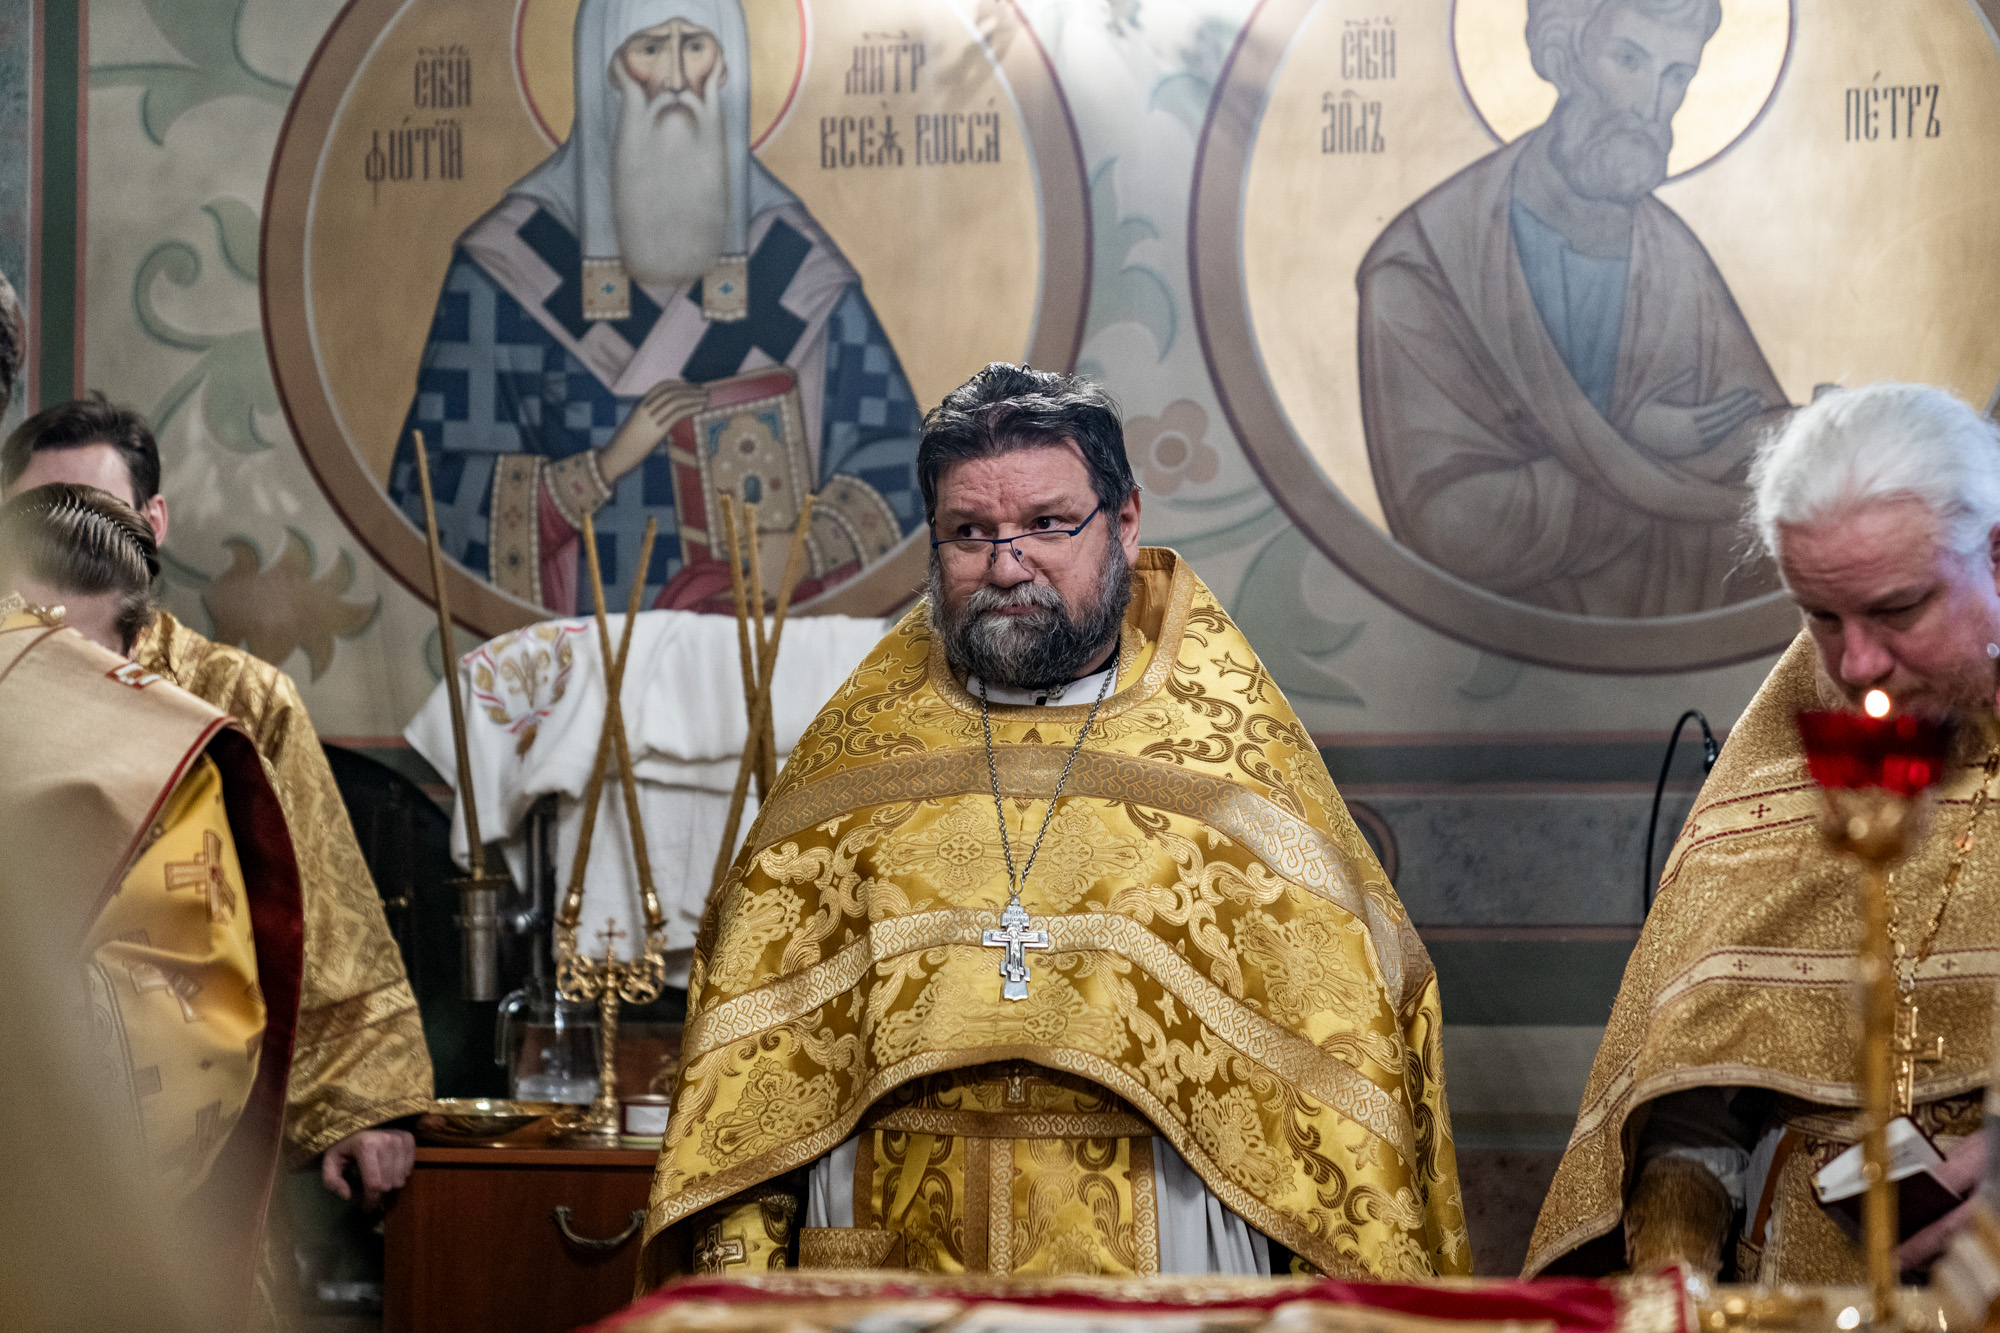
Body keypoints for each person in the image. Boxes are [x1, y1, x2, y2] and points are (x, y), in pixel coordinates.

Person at [638, 364, 1468, 1282]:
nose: (1006, 564)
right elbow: (750, 1077)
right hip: (886, 1258)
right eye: (969, 532)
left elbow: (1343, 1068)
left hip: (1161, 1259)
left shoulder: (1231, 765)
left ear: (1125, 522)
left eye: (1046, 523)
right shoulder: (854, 762)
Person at [1527, 383, 2000, 1283]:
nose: (1858, 665)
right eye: (1821, 616)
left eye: (1899, 609)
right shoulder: (1787, 749)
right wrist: (1678, 1276)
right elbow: (1696, 1089)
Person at [0, 396, 431, 1209]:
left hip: (184, 1113)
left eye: (91, 515)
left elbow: (317, 910)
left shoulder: (236, 698)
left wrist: (363, 1103)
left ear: (148, 524)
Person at [387, 0, 924, 617]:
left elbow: (899, 454)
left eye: (695, 47)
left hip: (771, 643)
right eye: (648, 49)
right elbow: (431, 490)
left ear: (727, 67)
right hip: (591, 654)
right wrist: (601, 469)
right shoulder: (510, 263)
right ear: (606, 74)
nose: (674, 79)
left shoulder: (795, 261)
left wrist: (812, 547)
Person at [1357, 0, 1788, 618]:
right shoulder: (1429, 263)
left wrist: (1803, 439)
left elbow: (1750, 441)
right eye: (1629, 60)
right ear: (1563, 57)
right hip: (1502, 646)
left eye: (1676, 76)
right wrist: (1640, 456)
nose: (1650, 106)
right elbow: (1447, 526)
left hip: (1668, 632)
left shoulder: (1672, 256)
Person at [0, 483, 306, 1324]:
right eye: (21, 637)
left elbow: (194, 1028)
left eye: (74, 660)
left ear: (132, 653)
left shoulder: (168, 771)